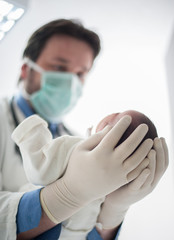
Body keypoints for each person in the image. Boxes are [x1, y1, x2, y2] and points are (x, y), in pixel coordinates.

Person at [0, 19, 168, 240]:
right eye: (60, 67)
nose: (71, 81)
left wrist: (114, 209)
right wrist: (68, 195)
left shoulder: (81, 146)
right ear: (25, 69)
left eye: (80, 73)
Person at [11, 109, 159, 240]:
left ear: (105, 123)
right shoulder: (79, 155)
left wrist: (32, 132)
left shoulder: (73, 148)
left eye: (116, 116)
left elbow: (38, 170)